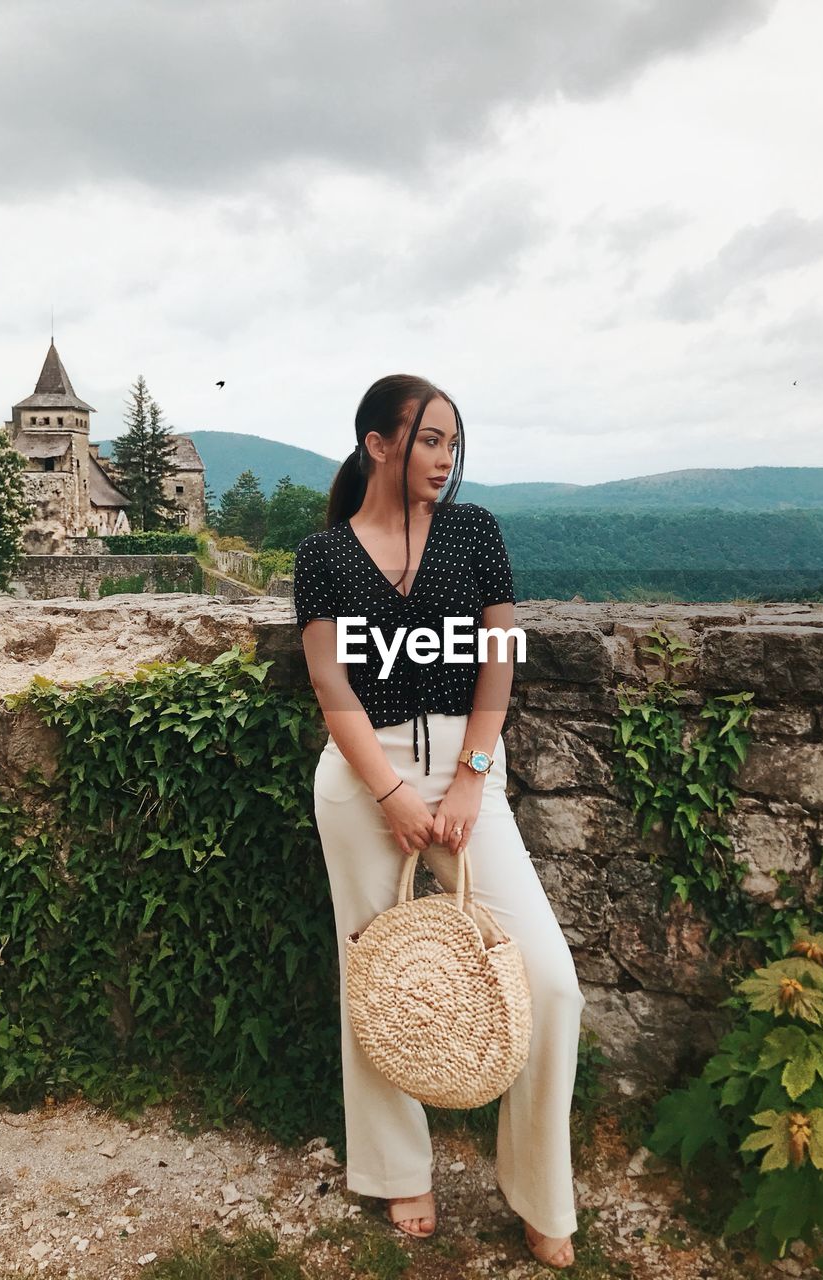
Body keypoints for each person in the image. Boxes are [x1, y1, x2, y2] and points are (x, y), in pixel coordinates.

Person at [293, 374, 585, 1270]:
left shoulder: (475, 533)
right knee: (376, 974)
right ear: (379, 444)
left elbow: (497, 661)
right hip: (361, 777)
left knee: (547, 979)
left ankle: (541, 1190)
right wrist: (388, 791)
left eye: (453, 443)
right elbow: (330, 682)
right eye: (428, 440)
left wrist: (470, 779)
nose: (445, 459)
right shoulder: (324, 554)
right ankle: (396, 1171)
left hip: (466, 772)